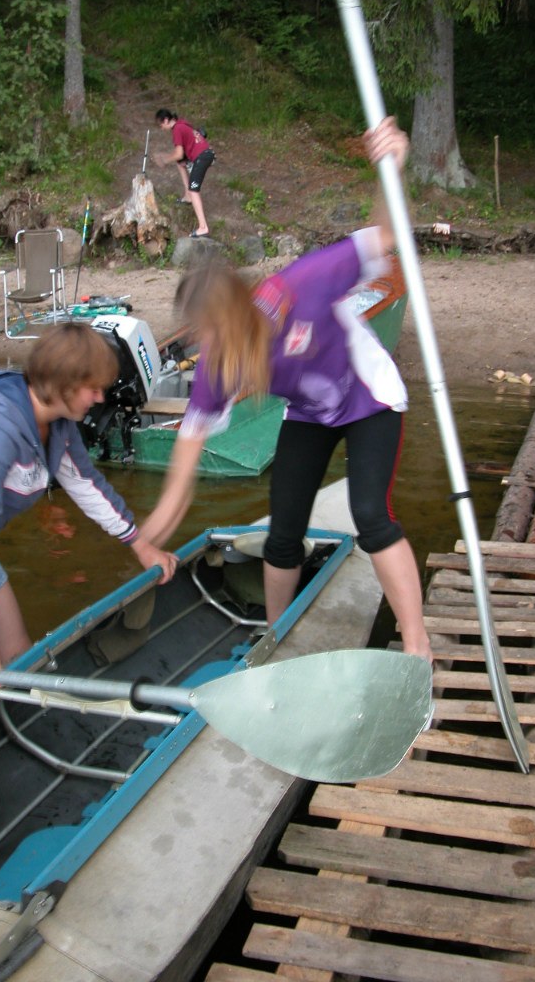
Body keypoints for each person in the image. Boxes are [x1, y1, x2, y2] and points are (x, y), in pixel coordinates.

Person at [141, 116, 433, 663]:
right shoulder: (215, 367)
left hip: (369, 397)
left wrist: (391, 166)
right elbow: (182, 472)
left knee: (370, 515)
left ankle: (418, 645)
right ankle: (277, 641)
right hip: (310, 412)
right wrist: (144, 536)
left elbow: (387, 235)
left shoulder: (306, 284)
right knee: (283, 532)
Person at [0, 323, 179, 702]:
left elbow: (86, 484)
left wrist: (141, 545)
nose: (98, 397)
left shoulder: (57, 424)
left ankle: (16, 724)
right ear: (62, 384)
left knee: (17, 654)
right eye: (92, 387)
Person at [153, 108, 215, 239]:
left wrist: (164, 159)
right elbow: (181, 156)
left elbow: (179, 153)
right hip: (205, 154)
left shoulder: (177, 129)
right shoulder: (183, 124)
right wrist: (169, 157)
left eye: (161, 125)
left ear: (166, 120)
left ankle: (203, 227)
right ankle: (187, 196)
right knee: (180, 163)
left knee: (194, 190)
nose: (161, 128)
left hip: (202, 156)